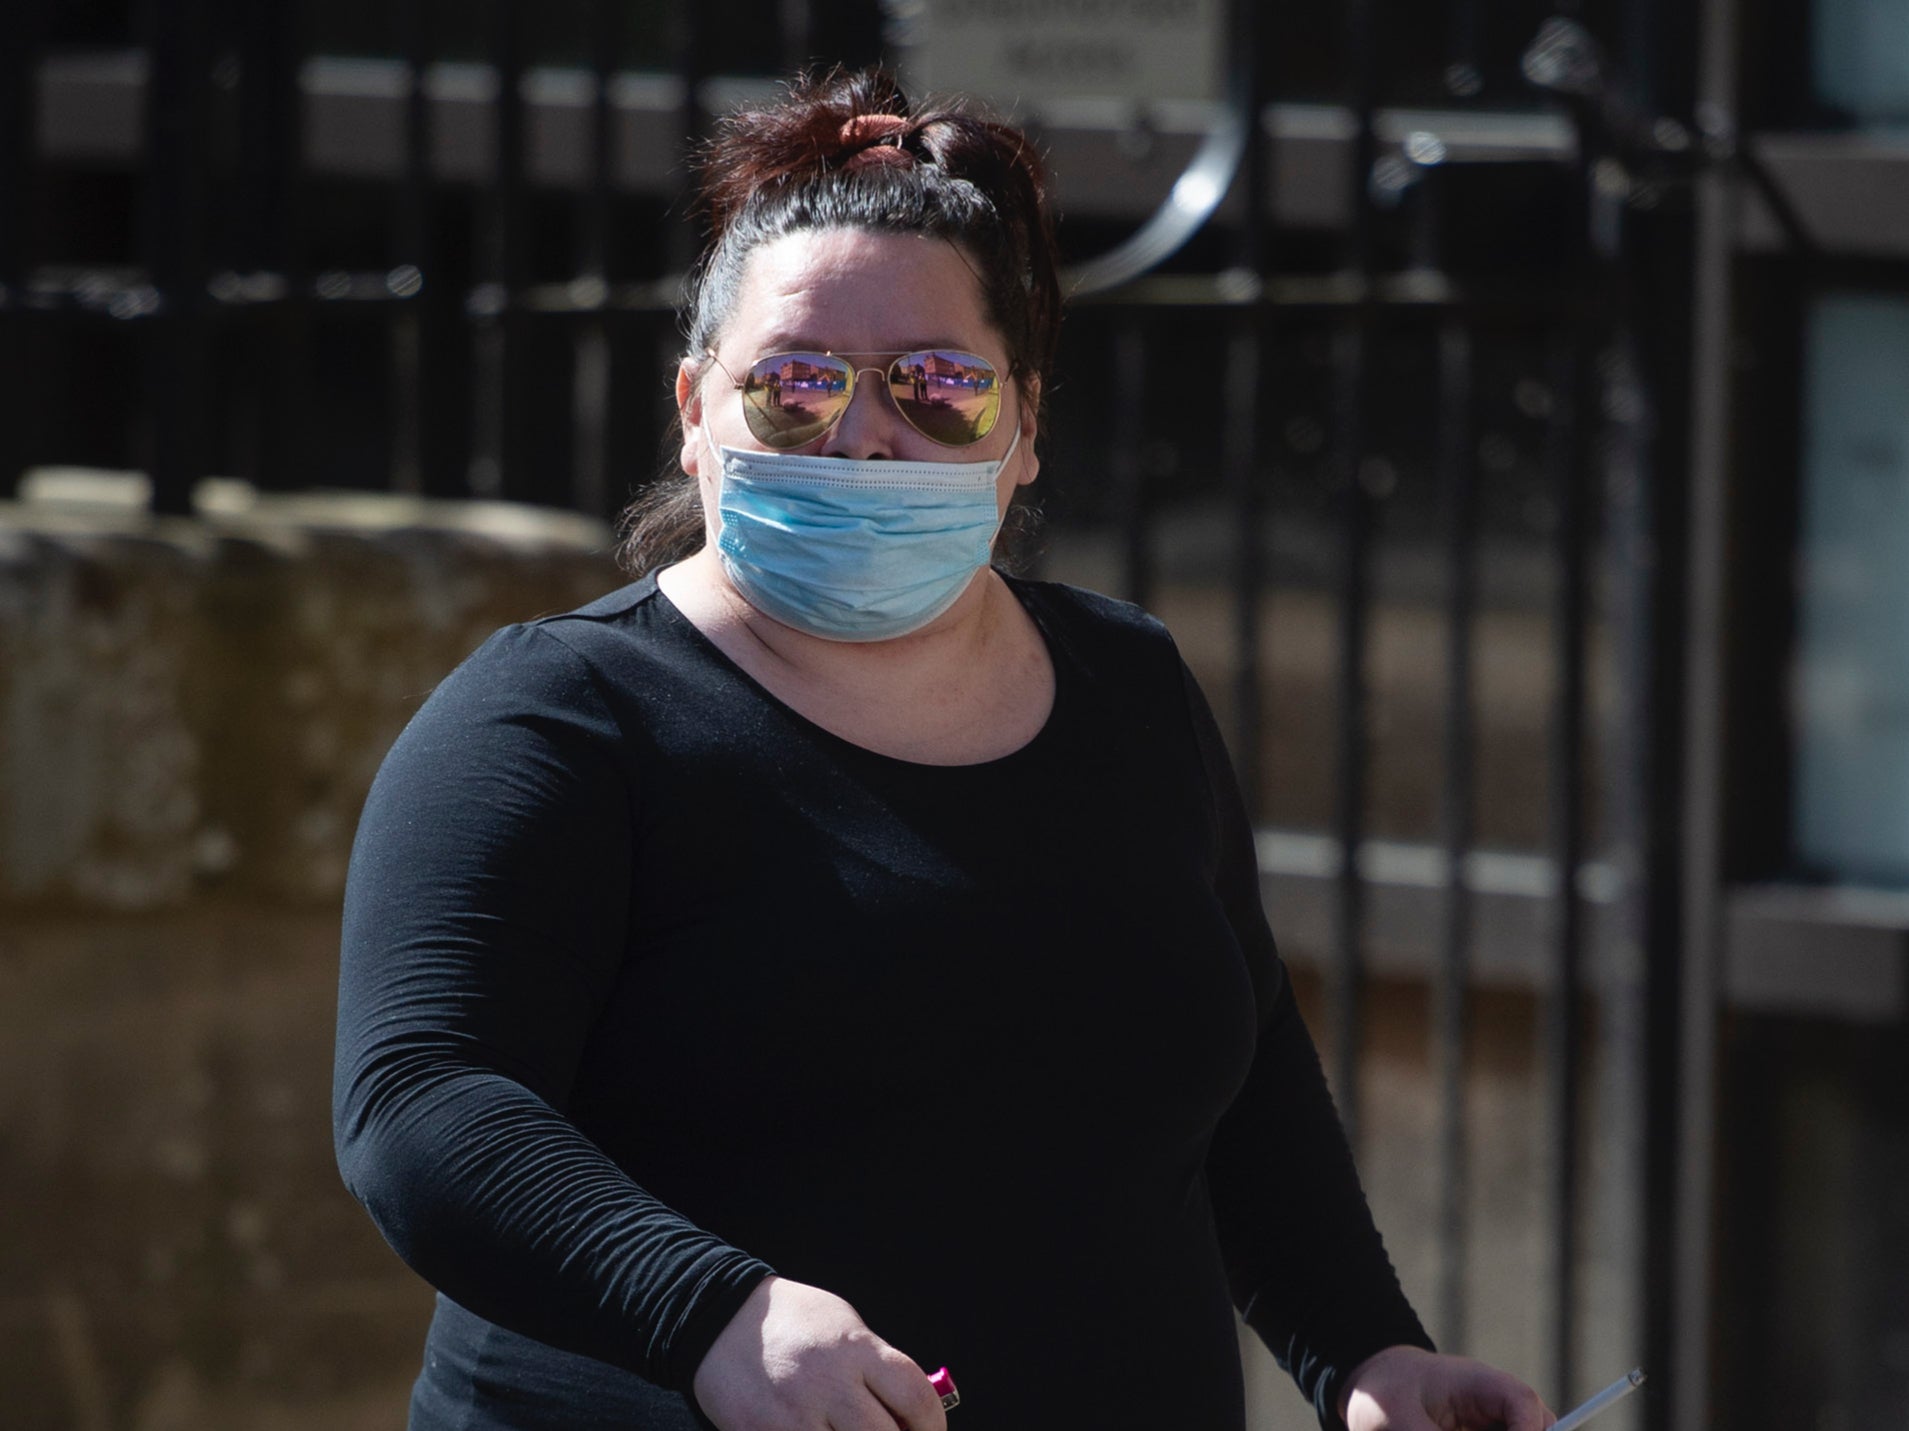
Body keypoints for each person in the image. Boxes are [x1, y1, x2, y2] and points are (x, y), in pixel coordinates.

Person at [333, 67, 1556, 1431]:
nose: (861, 433)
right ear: (694, 411)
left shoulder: (1126, 684)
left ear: (1024, 428)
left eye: (936, 388)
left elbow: (1243, 1070)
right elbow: (423, 1105)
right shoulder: (555, 723)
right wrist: (713, 1314)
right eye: (793, 384)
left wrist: (1365, 1354)